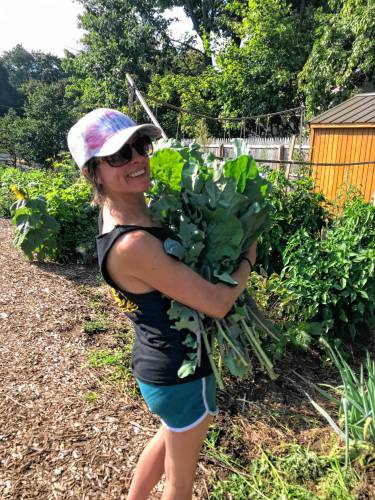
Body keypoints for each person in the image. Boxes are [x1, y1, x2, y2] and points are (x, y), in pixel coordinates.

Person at [67, 108, 257, 500]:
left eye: (140, 145)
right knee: (180, 483)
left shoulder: (124, 214)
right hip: (181, 372)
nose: (137, 158)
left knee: (169, 435)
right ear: (92, 173)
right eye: (119, 155)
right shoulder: (134, 244)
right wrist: (248, 255)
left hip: (156, 363)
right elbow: (218, 303)